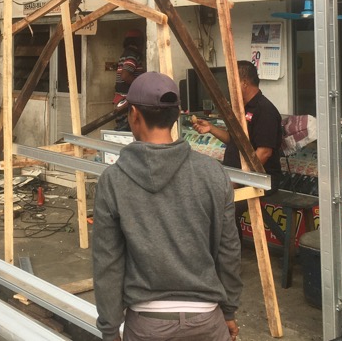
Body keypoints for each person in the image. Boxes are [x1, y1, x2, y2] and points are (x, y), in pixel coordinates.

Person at [92, 72, 242, 341]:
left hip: (147, 324)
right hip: (207, 321)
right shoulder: (213, 173)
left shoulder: (113, 181)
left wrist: (110, 329)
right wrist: (228, 311)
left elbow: (108, 262)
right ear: (175, 117)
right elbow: (228, 249)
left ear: (134, 114)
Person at [192, 60, 283, 195]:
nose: (229, 87)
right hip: (235, 177)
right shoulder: (240, 109)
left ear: (244, 83)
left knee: (219, 206)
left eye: (232, 82)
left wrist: (240, 179)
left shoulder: (265, 110)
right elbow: (233, 139)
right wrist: (210, 128)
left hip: (258, 181)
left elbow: (264, 152)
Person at [112, 28, 146, 130]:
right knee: (126, 129)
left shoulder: (126, 54)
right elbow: (125, 75)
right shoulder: (132, 55)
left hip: (121, 97)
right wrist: (141, 86)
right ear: (138, 42)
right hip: (127, 99)